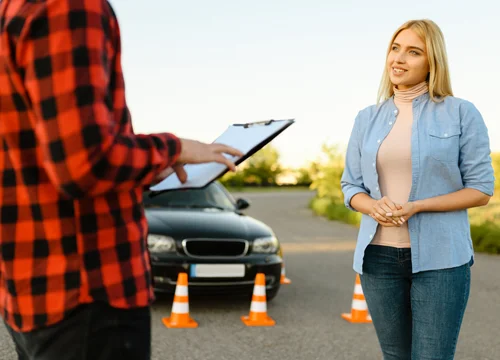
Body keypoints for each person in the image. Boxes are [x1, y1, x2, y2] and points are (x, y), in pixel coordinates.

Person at [0, 0, 243, 359]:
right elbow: (83, 164)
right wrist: (173, 148)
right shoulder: (69, 6)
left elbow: (43, 157)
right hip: (89, 292)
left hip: (33, 287)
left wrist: (142, 166)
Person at [341, 19, 495, 359]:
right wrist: (371, 206)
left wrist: (417, 206)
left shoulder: (460, 113)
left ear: (432, 62)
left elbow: (482, 189)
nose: (399, 59)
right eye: (395, 49)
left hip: (441, 259)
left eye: (413, 52)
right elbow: (350, 185)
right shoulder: (366, 118)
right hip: (377, 258)